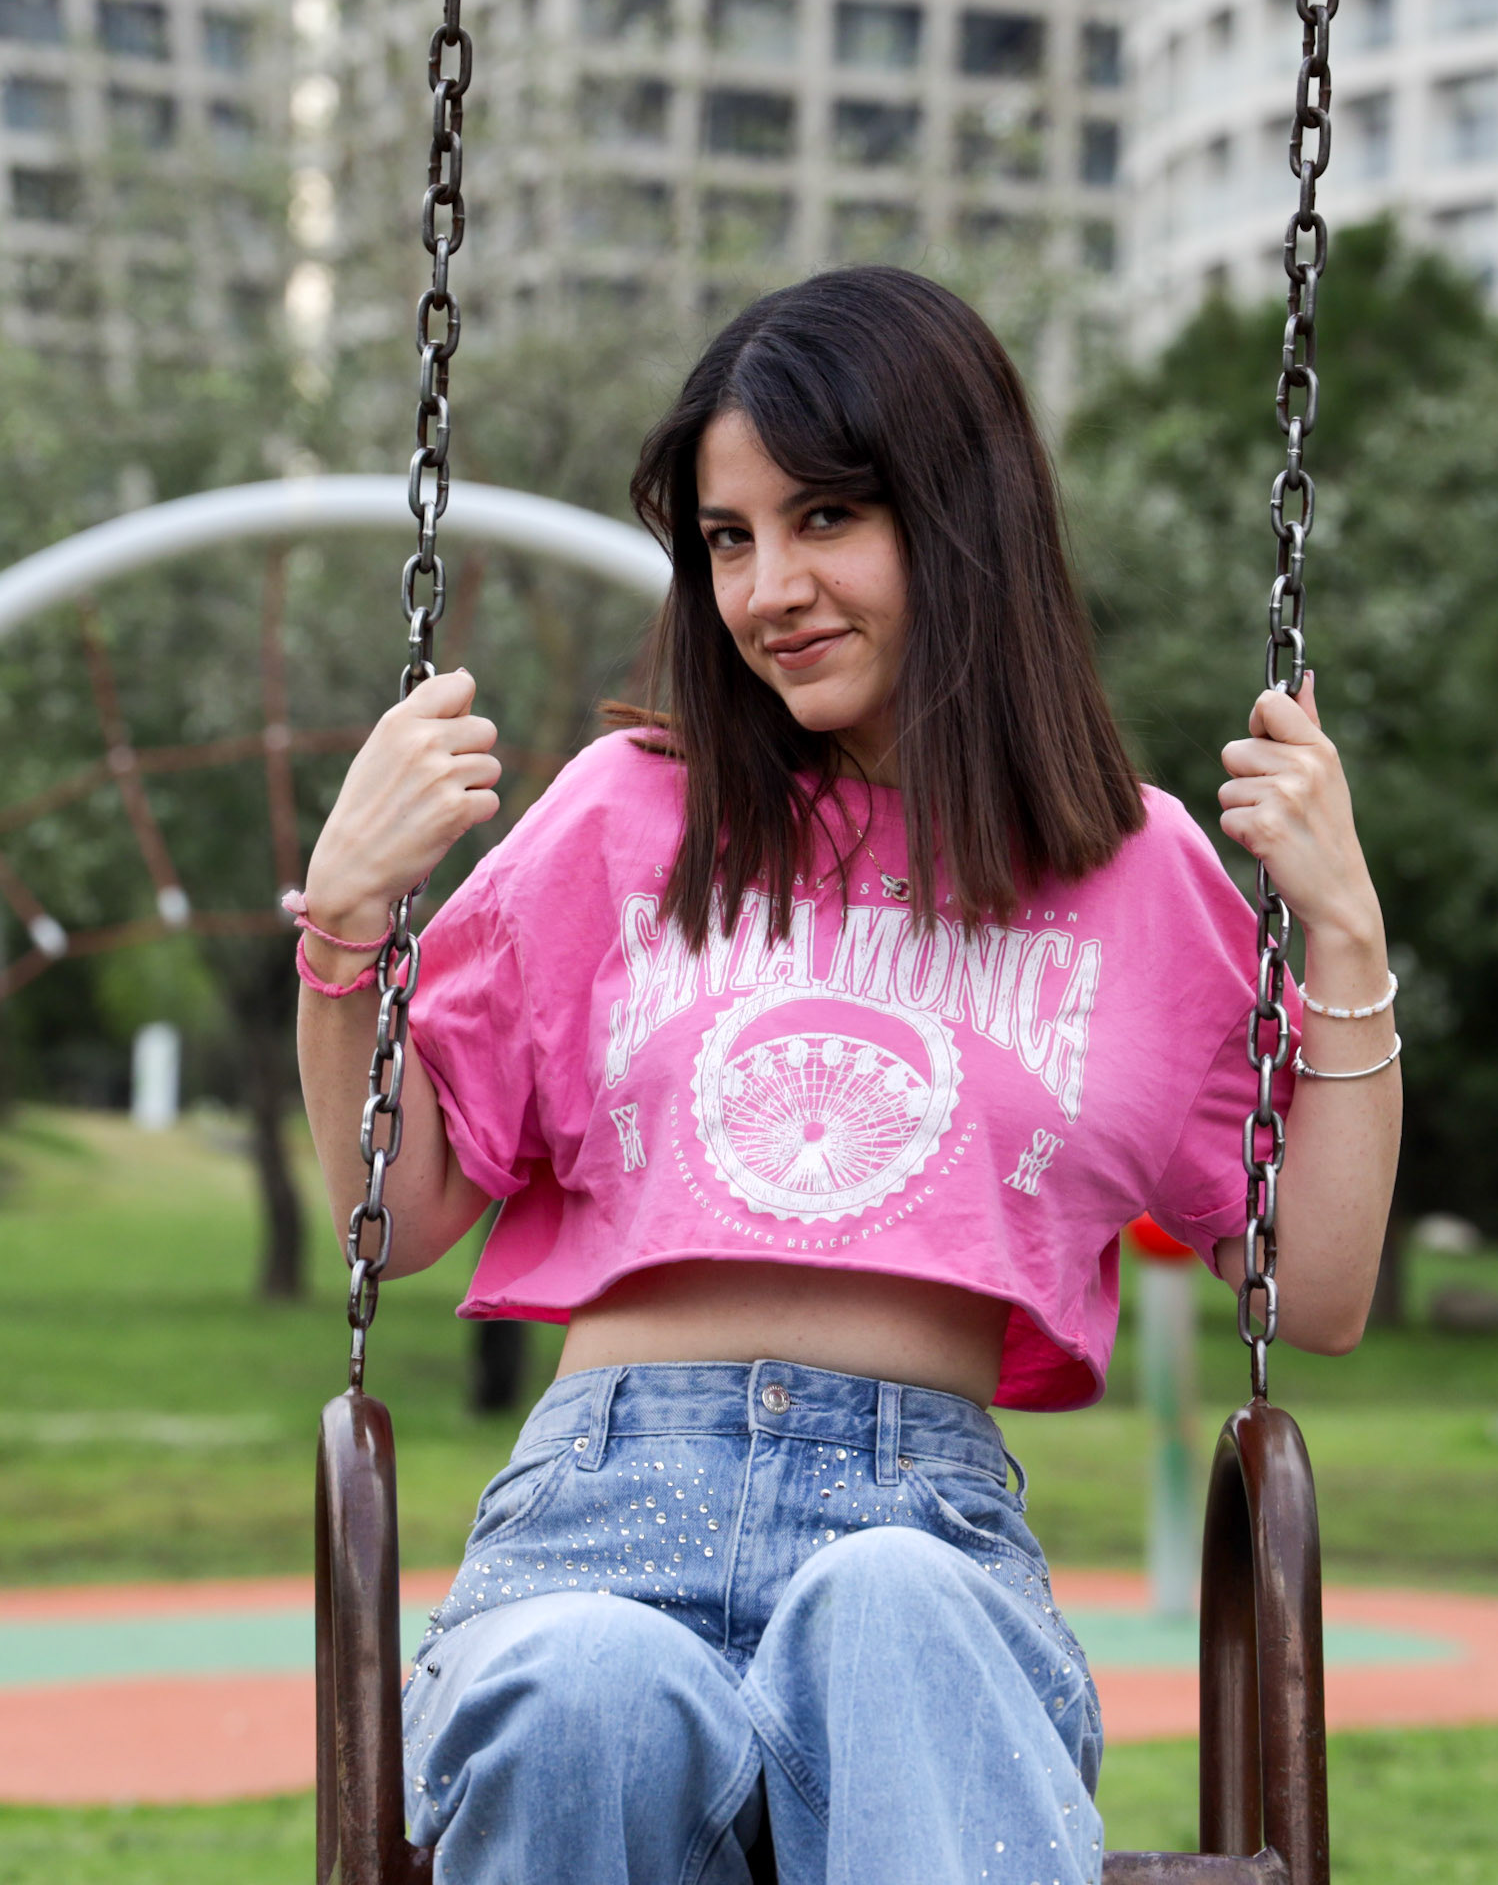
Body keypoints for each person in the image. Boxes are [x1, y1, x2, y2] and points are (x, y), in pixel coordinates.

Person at [295, 267, 1400, 1885]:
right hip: (598, 1517)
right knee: (584, 1691)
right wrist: (345, 929)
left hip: (920, 1522)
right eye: (728, 539)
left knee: (888, 1606)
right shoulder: (621, 814)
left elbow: (1316, 1288)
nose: (768, 590)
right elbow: (392, 1218)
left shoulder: (1134, 870)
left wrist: (1345, 936)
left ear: (961, 516)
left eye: (823, 517)